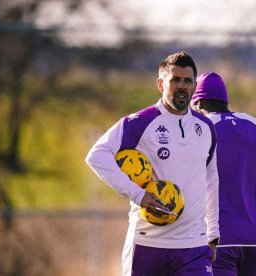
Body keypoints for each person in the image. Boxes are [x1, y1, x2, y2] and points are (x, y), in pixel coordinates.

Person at [85, 52, 220, 276]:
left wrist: (213, 234)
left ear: (194, 86)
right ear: (160, 84)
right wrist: (138, 195)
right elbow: (97, 155)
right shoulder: (140, 123)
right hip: (148, 245)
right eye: (175, 80)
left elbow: (211, 181)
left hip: (193, 247)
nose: (181, 86)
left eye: (187, 81)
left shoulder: (206, 127)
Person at [191, 72, 256, 276]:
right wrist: (246, 182)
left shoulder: (202, 130)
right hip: (255, 238)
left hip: (218, 238)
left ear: (199, 102)